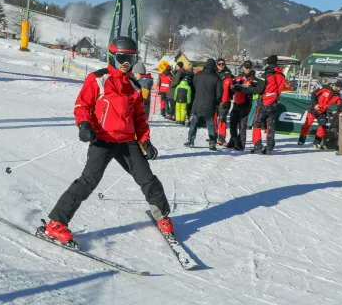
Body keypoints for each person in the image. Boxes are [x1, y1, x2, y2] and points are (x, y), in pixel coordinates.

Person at [43, 36, 172, 246]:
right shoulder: (98, 79)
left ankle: (162, 215)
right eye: (122, 58)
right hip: (102, 139)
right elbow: (82, 105)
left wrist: (145, 141)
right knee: (88, 181)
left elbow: (139, 117)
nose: (126, 63)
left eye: (131, 58)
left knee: (147, 178)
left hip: (127, 141)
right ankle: (56, 223)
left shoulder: (135, 86)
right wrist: (84, 125)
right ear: (113, 56)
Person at [235, 55, 285, 155]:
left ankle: (257, 146)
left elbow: (259, 90)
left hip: (264, 102)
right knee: (270, 125)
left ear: (268, 63)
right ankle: (269, 148)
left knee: (256, 124)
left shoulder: (266, 75)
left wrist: (248, 87)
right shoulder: (282, 75)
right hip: (274, 102)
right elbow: (279, 89)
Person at [185, 58, 223, 150]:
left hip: (198, 102)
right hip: (210, 104)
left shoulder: (198, 75)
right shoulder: (216, 77)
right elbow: (219, 94)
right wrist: (216, 103)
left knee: (194, 121)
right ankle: (212, 143)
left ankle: (190, 140)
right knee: (210, 123)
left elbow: (194, 87)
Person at [298, 80, 342, 148]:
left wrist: (340, 110)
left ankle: (317, 142)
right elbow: (313, 94)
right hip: (313, 109)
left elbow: (340, 104)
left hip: (322, 112)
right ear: (336, 85)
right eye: (340, 88)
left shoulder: (337, 95)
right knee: (307, 125)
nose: (341, 90)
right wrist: (315, 104)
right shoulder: (324, 87)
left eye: (341, 88)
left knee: (323, 126)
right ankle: (301, 139)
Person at [227, 60, 257, 150]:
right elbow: (232, 89)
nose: (247, 69)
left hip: (246, 103)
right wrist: (232, 89)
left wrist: (240, 88)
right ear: (243, 67)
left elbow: (253, 90)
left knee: (242, 124)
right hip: (237, 102)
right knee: (233, 122)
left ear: (251, 68)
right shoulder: (238, 77)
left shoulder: (254, 78)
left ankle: (241, 143)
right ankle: (233, 139)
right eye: (246, 67)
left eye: (249, 68)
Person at [216, 58, 233, 146]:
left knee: (222, 119)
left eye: (223, 64)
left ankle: (221, 138)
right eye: (219, 64)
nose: (221, 65)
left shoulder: (228, 75)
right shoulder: (213, 74)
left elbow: (233, 88)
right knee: (214, 118)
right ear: (217, 64)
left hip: (224, 100)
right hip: (215, 100)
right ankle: (213, 136)